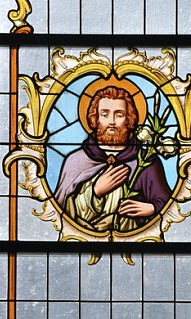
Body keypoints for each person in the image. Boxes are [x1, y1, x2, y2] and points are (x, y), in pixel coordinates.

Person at [54, 85, 171, 233]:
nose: (112, 121)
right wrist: (95, 192)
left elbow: (170, 206)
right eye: (105, 114)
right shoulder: (75, 161)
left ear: (129, 120)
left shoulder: (147, 162)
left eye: (119, 115)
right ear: (95, 119)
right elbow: (59, 212)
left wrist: (152, 208)